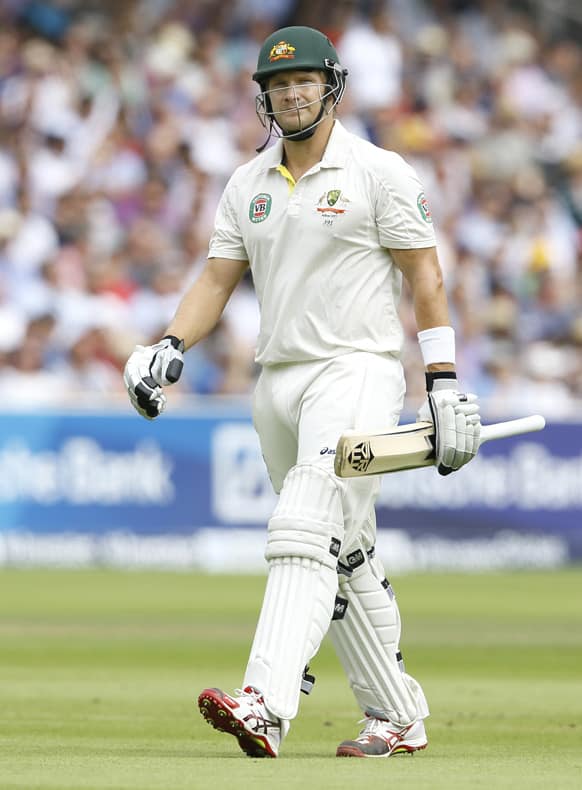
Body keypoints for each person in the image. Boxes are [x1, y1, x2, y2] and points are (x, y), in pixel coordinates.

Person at [123, 26, 481, 759]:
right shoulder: (246, 183)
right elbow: (218, 279)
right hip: (277, 380)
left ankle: (264, 703)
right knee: (340, 550)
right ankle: (397, 716)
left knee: (302, 527)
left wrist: (442, 380)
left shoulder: (379, 171)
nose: (291, 94)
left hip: (357, 370)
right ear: (264, 98)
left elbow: (426, 276)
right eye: (278, 86)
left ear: (332, 88)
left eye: (305, 83)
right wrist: (168, 344)